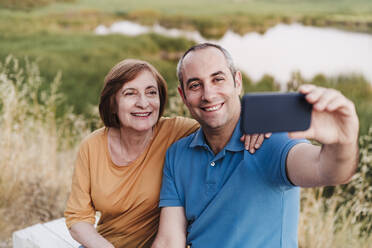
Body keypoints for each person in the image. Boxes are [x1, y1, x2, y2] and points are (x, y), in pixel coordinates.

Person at [152, 43, 359, 248]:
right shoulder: (177, 154)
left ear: (237, 82)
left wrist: (342, 142)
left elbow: (328, 170)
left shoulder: (273, 139)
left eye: (218, 79)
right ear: (183, 96)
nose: (208, 94)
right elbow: (170, 241)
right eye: (195, 85)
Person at [64, 59, 267, 248]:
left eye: (151, 92)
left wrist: (255, 120)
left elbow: (220, 122)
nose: (143, 103)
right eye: (130, 93)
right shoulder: (92, 146)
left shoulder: (177, 132)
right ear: (113, 103)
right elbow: (78, 216)